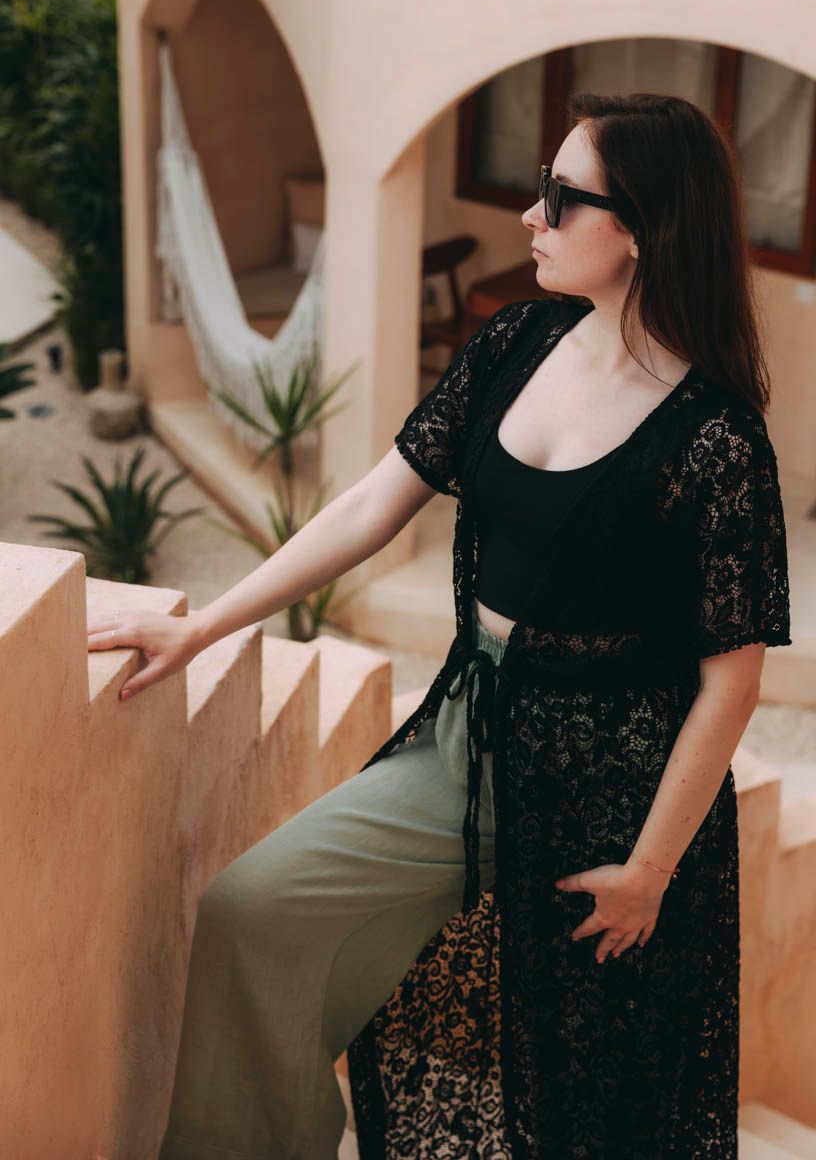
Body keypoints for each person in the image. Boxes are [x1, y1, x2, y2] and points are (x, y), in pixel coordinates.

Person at [89, 92, 792, 1159]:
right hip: (471, 742)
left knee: (586, 1105)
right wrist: (206, 627)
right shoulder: (515, 341)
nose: (532, 215)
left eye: (562, 197)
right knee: (250, 914)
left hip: (618, 795)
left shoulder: (718, 441)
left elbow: (730, 683)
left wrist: (650, 870)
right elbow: (372, 507)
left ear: (642, 229)